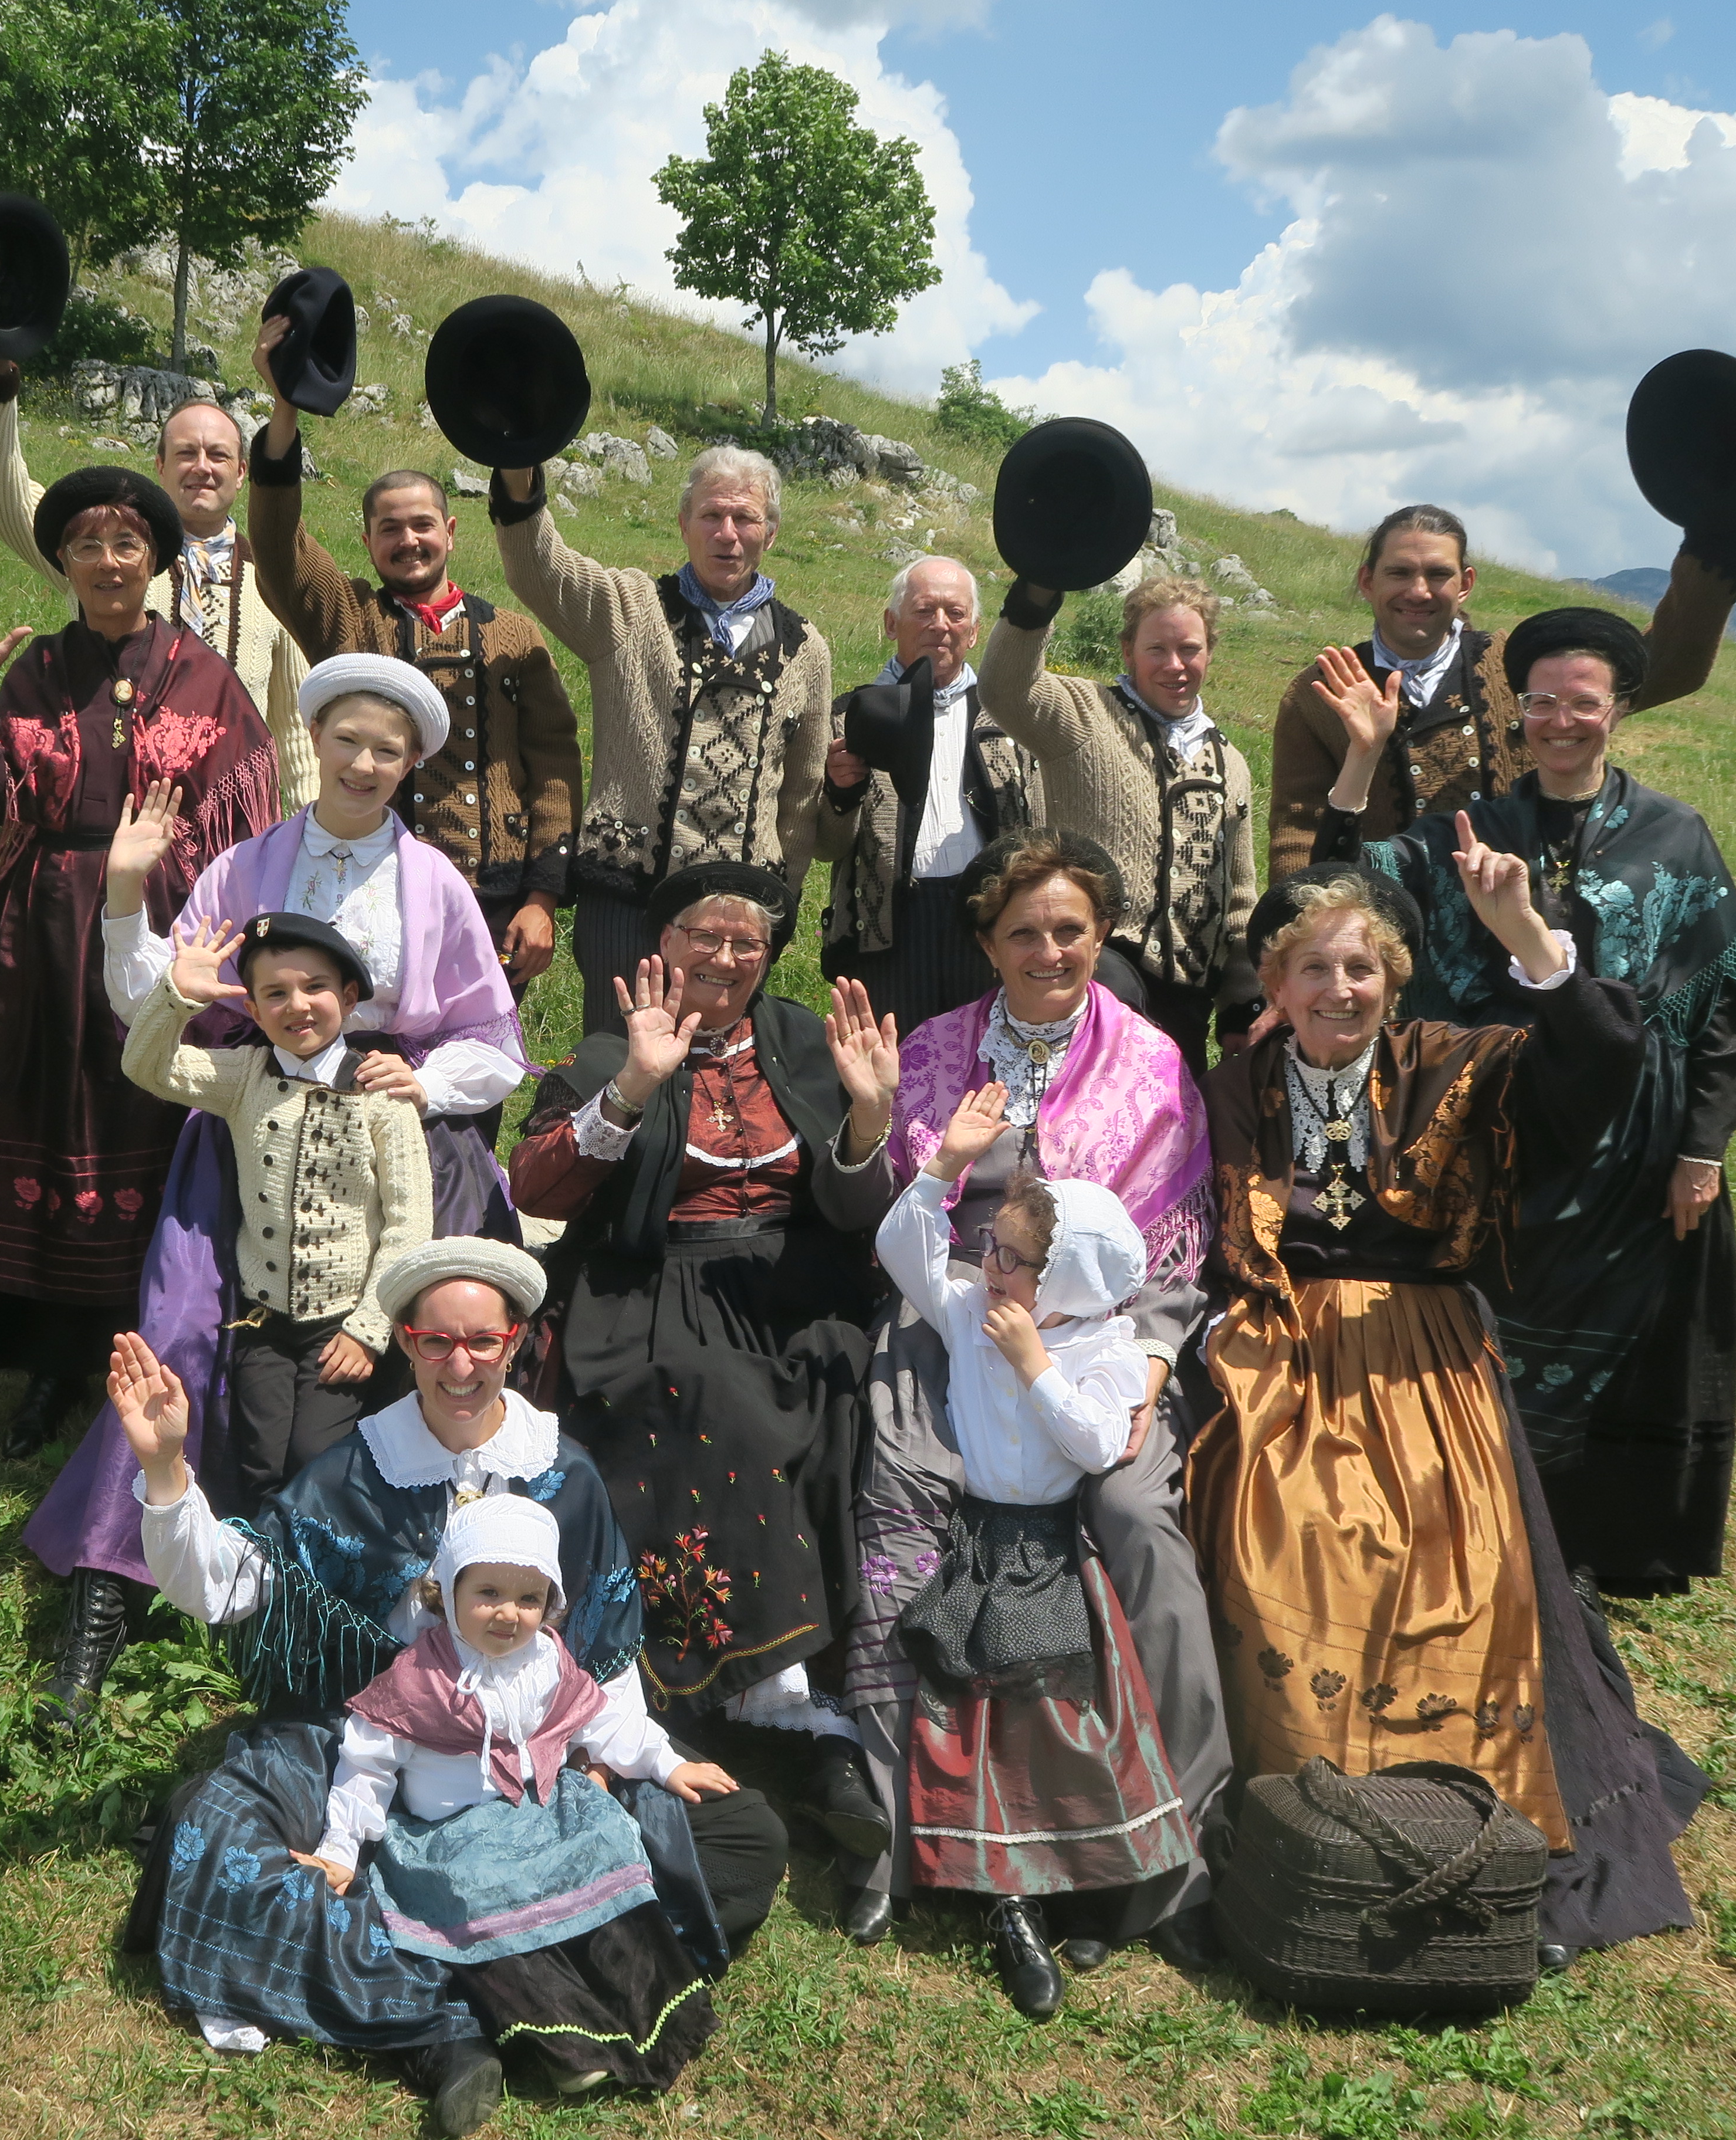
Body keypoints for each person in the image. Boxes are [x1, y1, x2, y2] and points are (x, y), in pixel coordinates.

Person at [115, 1238, 788, 2138]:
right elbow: (232, 1587)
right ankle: (483, 2011)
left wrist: (607, 1762)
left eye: (483, 1341)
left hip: (537, 1751)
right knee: (212, 1826)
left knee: (747, 1834)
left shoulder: (565, 1474)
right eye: (437, 1342)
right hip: (372, 1746)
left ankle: (448, 2001)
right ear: (404, 1342)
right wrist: (166, 1468)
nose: (461, 1365)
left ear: (517, 1343)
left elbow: (607, 1653)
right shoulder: (356, 1469)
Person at [1185, 856, 1706, 1964]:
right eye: (1312, 966)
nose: (1339, 987)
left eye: (1361, 966)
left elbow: (1602, 1063)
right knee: (1283, 1527)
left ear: (1396, 978)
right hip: (1282, 1348)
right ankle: (1298, 1804)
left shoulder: (1455, 1062)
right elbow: (1220, 1236)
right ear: (1274, 983)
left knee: (1449, 1560)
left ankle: (1470, 1810)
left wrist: (1523, 928)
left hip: (1425, 1355)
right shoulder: (1237, 1085)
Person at [20, 654, 530, 1721]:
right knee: (178, 1330)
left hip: (401, 1140)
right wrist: (125, 896)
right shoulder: (248, 865)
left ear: (408, 767)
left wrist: (423, 1075)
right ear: (316, 741)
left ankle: (388, 1595)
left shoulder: (434, 879)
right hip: (247, 1139)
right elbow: (152, 1003)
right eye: (347, 738)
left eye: (387, 749)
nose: (364, 761)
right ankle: (115, 1587)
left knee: (421, 1343)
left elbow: (495, 1040)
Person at [1304, 607, 1736, 1597]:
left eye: (1581, 702)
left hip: (1633, 1151)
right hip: (1503, 1134)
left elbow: (1730, 1004)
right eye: (1542, 701)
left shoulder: (1676, 839)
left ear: (1620, 710)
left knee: (1625, 1337)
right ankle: (1488, 1518)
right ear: (1518, 712)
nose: (1559, 720)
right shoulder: (1476, 828)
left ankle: (1595, 1547)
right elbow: (1336, 895)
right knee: (1498, 1327)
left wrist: (1703, 1148)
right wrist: (1359, 757)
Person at [847, 828, 1226, 1965]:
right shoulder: (934, 1052)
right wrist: (882, 1130)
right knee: (903, 1513)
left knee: (1134, 1518)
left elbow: (1176, 1259)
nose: (1049, 949)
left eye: (1070, 929)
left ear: (1101, 935)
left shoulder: (1156, 1065)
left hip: (1107, 1340)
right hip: (950, 1310)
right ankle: (893, 1829)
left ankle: (1175, 1847)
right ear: (988, 943)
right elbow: (882, 1221)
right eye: (1024, 931)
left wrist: (1143, 1381)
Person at [509, 861, 900, 1858]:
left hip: (793, 1281)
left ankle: (862, 1680)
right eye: (704, 937)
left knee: (850, 1381)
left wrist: (864, 1119)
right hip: (650, 1289)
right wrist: (636, 1083)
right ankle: (785, 1702)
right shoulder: (608, 1047)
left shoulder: (807, 1046)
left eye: (749, 944)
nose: (727, 958)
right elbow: (543, 1189)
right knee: (715, 1397)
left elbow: (858, 1214)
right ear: (662, 945)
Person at [0, 467, 282, 1467]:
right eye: (87, 543)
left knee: (142, 1119)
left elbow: (248, 822)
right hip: (39, 933)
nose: (108, 561)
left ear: (156, 561)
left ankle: (150, 1339)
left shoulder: (208, 677)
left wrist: (225, 946)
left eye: (127, 543)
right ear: (64, 563)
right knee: (44, 1124)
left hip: (163, 927)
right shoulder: (34, 670)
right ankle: (48, 1360)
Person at [875, 1125, 1197, 2020]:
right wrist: (944, 1167)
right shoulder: (971, 1311)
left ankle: (1088, 1886)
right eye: (990, 1249)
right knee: (982, 1719)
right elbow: (903, 1245)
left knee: (1066, 1722)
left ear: (1066, 1282)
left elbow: (1097, 1445)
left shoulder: (1108, 1350)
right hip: (978, 1539)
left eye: (1013, 1259)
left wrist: (1036, 1366)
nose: (992, 1268)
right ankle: (1007, 1903)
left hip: (1054, 1548)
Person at [303, 1495, 736, 2100]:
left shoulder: (548, 1663)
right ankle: (564, 2046)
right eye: (488, 1594)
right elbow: (366, 1767)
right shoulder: (419, 1679)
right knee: (482, 1898)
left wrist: (667, 1763)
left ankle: (648, 2011)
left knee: (604, 1840)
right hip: (452, 1836)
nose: (508, 1614)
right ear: (449, 1593)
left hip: (537, 1811)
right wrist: (342, 1847)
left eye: (529, 1600)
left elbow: (601, 1722)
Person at [248, 316, 584, 990]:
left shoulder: (516, 637)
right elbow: (280, 549)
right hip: (369, 892)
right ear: (369, 541)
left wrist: (543, 898)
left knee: (473, 1083)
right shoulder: (349, 617)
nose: (409, 541)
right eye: (390, 529)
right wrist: (284, 408)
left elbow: (553, 767)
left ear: (451, 532)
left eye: (423, 525)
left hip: (496, 902)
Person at [490, 449, 835, 1034]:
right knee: (616, 1070)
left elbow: (801, 798)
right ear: (684, 524)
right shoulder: (628, 609)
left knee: (715, 1086)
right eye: (711, 516)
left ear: (771, 534)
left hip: (737, 925)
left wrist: (782, 905)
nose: (728, 534)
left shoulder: (808, 650)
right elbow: (538, 571)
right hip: (627, 908)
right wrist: (519, 462)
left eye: (746, 519)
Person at [120, 912, 434, 1510]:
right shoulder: (245, 1076)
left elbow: (410, 1222)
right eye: (275, 994)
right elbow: (146, 1066)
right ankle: (266, 1583)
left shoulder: (382, 1095)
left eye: (316, 987)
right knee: (259, 1458)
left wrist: (369, 1328)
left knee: (316, 1458)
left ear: (347, 998)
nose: (299, 1006)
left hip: (342, 1325)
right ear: (257, 1013)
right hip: (262, 1318)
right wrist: (178, 996)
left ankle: (321, 1581)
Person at [1264, 503, 1736, 880]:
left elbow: (1668, 667)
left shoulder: (1518, 663)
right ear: (1368, 582)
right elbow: (1297, 839)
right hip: (1389, 948)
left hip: (1527, 929)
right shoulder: (1319, 693)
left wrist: (1717, 545)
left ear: (1465, 584)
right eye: (1399, 573)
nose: (1418, 591)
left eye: (1438, 574)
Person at [0, 334, 313, 807]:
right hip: (108, 813)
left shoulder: (276, 580)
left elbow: (295, 736)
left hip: (230, 832)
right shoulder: (104, 552)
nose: (202, 468)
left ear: (243, 472)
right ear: (160, 466)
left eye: (219, 455)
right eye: (187, 453)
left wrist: (313, 846)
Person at [976, 575, 1257, 1074]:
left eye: (1189, 649)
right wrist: (1041, 585)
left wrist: (1241, 1004)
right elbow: (1004, 688)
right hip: (1094, 975)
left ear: (1210, 652)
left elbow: (1240, 898)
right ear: (1128, 651)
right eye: (1157, 649)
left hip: (1187, 997)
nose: (1175, 665)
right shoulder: (1085, 715)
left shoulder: (1231, 763)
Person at [818, 555, 1044, 1030]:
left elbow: (1040, 829)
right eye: (924, 610)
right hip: (887, 931)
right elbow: (826, 844)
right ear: (891, 622)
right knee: (891, 1080)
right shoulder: (848, 716)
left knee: (986, 1071)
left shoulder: (1010, 719)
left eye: (956, 613)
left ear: (976, 631)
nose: (941, 625)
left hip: (990, 922)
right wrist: (840, 795)